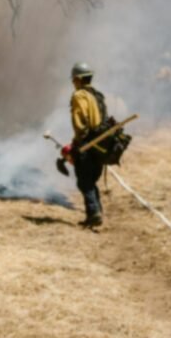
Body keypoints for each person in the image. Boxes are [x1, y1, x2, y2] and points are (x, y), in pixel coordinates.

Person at [66, 62, 106, 227]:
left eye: (73, 80)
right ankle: (96, 213)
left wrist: (78, 143)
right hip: (100, 144)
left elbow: (80, 121)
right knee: (90, 180)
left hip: (87, 144)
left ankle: (94, 213)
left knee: (84, 181)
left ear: (77, 79)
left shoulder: (80, 96)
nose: (73, 83)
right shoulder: (97, 95)